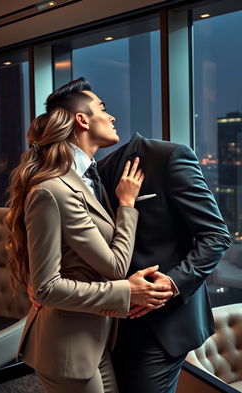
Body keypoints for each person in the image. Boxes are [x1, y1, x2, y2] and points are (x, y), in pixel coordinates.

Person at [5, 78, 174, 393]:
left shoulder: (86, 179)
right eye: (103, 109)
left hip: (94, 341)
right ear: (81, 120)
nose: (112, 117)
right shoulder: (52, 189)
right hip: (66, 348)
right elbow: (108, 268)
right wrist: (126, 206)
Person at [98, 132, 231, 393]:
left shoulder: (167, 156)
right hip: (111, 321)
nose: (110, 117)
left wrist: (171, 284)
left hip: (162, 324)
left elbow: (216, 235)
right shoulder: (97, 169)